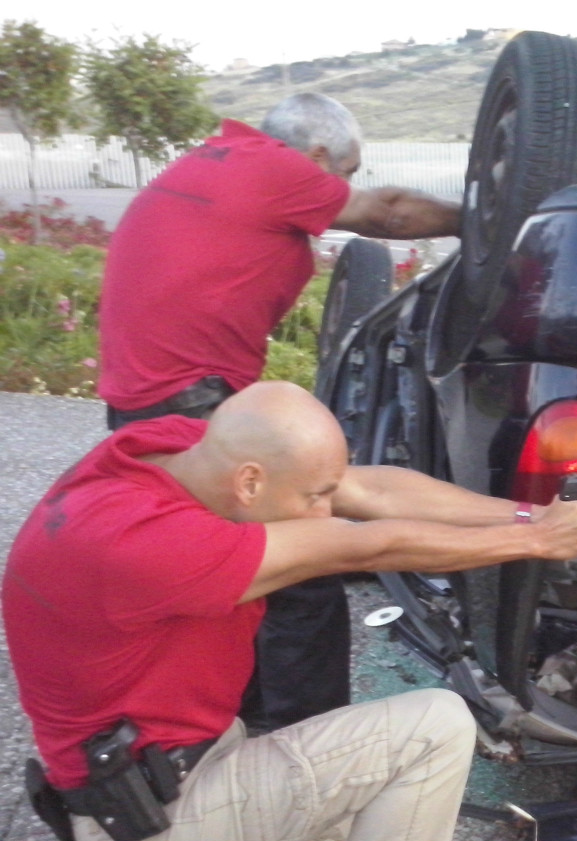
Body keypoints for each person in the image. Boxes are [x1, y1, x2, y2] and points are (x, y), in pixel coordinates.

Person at [3, 381, 577, 841]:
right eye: (313, 499)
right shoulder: (150, 545)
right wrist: (536, 542)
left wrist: (532, 516)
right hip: (156, 814)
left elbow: (374, 492)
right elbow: (365, 542)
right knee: (435, 729)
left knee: (390, 817)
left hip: (162, 776)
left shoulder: (171, 449)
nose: (325, 510)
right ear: (249, 482)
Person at [94, 92, 463, 732]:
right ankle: (308, 744)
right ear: (317, 155)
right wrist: (485, 215)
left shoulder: (217, 160)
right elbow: (388, 212)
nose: (346, 186)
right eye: (347, 171)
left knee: (231, 570)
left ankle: (241, 719)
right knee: (304, 564)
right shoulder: (274, 166)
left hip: (142, 403)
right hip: (187, 404)